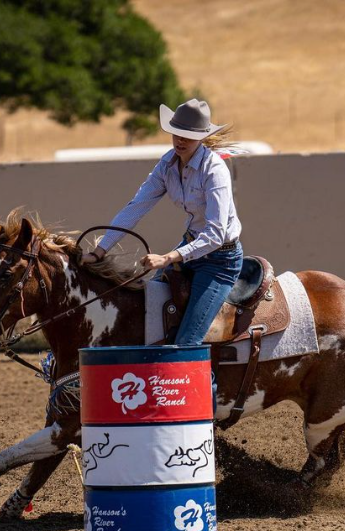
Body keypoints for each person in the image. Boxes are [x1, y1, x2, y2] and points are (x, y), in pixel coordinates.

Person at [81, 98, 243, 346]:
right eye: (176, 133)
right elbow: (136, 207)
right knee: (146, 316)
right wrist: (100, 251)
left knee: (188, 341)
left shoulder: (215, 169)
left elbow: (215, 234)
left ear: (201, 137)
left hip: (220, 262)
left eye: (188, 135)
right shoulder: (167, 165)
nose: (180, 140)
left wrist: (167, 258)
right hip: (191, 248)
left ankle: (209, 385)